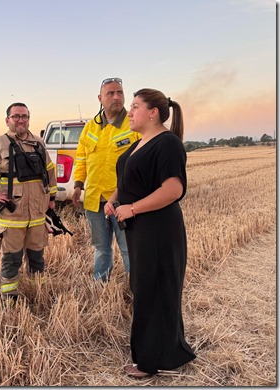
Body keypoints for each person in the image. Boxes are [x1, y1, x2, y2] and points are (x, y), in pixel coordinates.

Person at [105, 88, 196, 377]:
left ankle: (152, 361)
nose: (129, 112)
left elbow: (173, 189)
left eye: (134, 106)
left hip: (158, 230)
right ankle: (161, 352)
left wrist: (133, 208)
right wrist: (115, 199)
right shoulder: (140, 143)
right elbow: (130, 177)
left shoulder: (167, 143)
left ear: (153, 112)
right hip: (141, 229)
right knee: (144, 289)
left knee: (154, 290)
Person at [0, 102, 57, 304]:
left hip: (37, 215)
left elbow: (50, 171)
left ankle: (36, 293)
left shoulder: (39, 143)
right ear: (7, 120)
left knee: (37, 258)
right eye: (16, 116)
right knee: (11, 259)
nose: (21, 120)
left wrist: (52, 200)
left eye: (24, 116)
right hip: (12, 217)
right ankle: (9, 299)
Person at [71, 77, 140, 282]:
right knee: (101, 248)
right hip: (94, 199)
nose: (116, 97)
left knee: (129, 249)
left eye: (120, 92)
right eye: (111, 93)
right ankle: (100, 284)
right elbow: (81, 158)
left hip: (123, 200)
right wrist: (77, 185)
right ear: (100, 98)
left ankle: (137, 287)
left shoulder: (134, 123)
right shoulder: (91, 127)